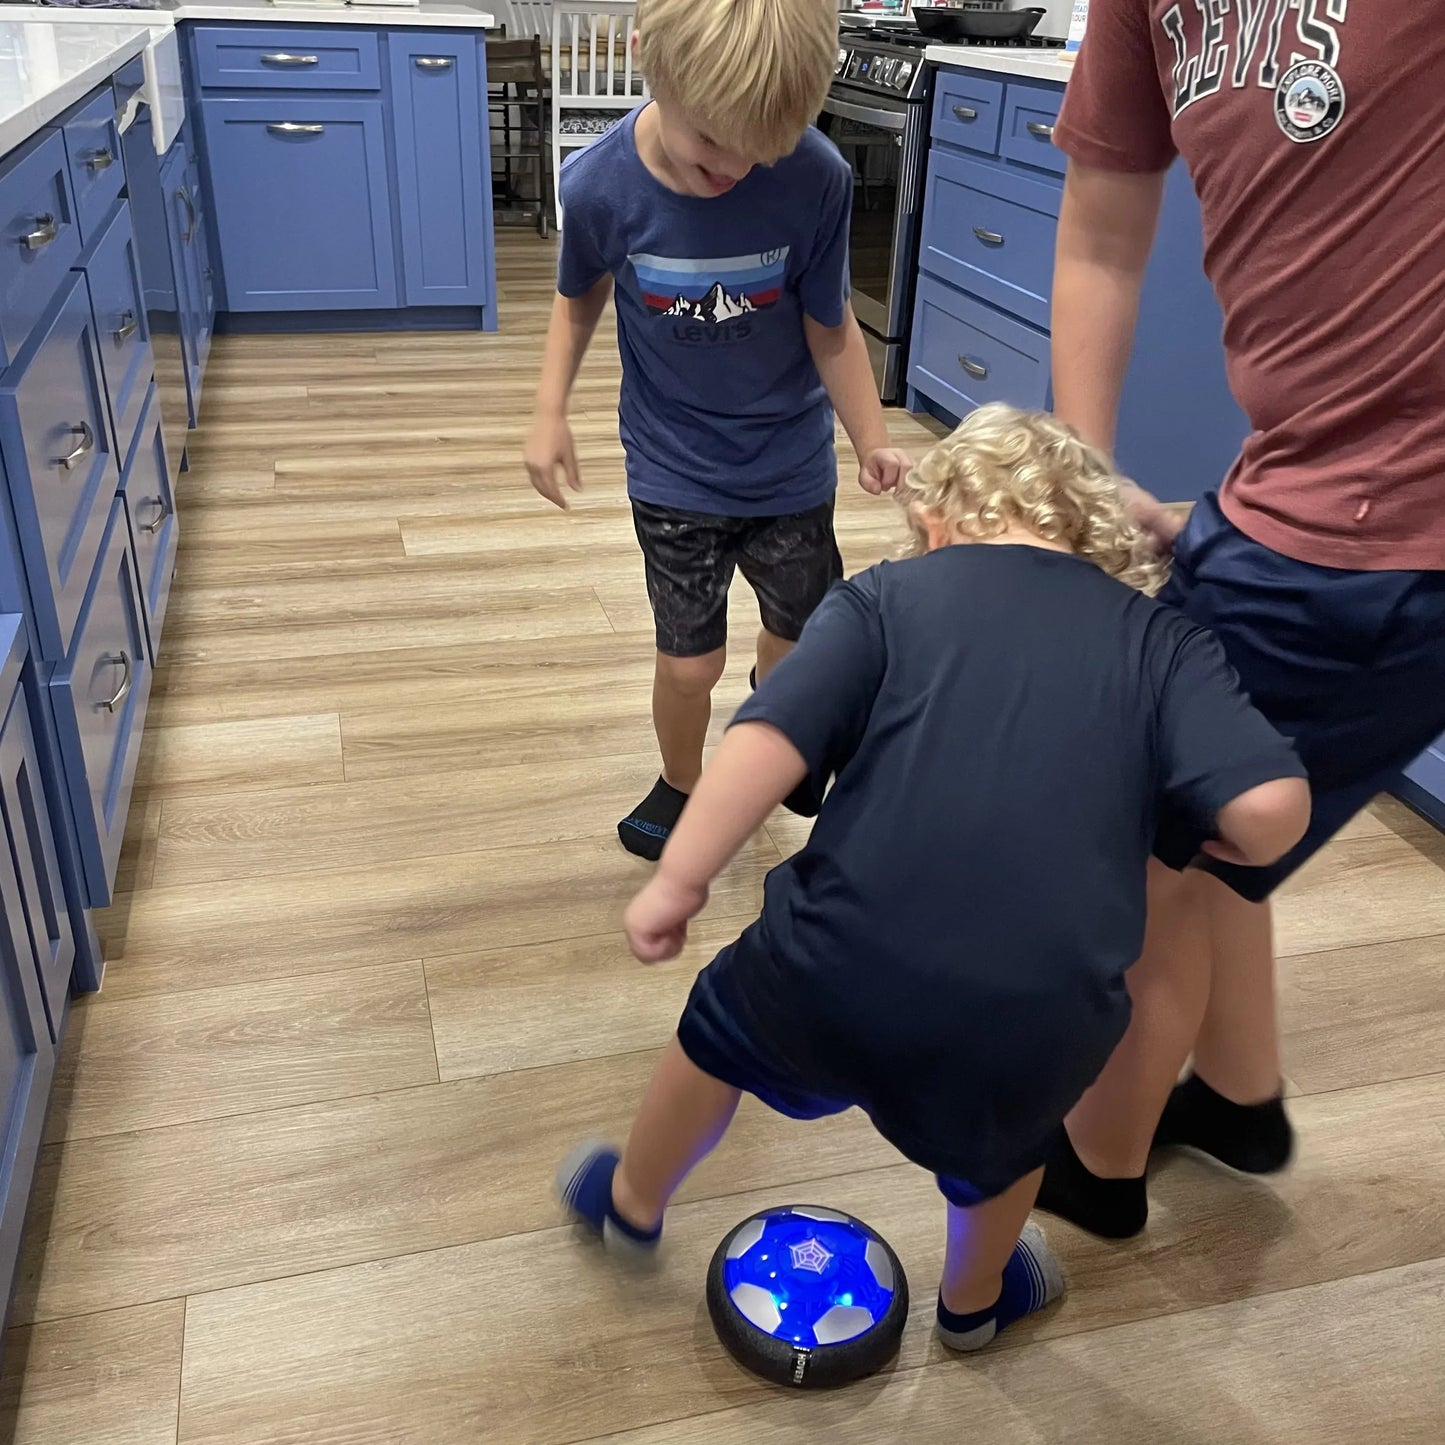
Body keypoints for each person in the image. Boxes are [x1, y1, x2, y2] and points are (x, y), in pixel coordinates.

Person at [556, 405, 1311, 1350]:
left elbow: (768, 738)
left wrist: (679, 880)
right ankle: (971, 1305)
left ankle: (632, 1202)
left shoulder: (883, 600)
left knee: (712, 1046)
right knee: (1001, 1161)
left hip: (830, 961)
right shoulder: (1166, 644)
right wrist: (1226, 842)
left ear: (939, 520)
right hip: (1031, 1014)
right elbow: (1270, 808)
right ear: (1096, 538)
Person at [1035, 1, 1445, 1240]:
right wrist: (1081, 470)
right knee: (1223, 830)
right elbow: (1104, 224)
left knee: (1134, 854)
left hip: (1365, 541)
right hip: (1282, 501)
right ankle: (1237, 1096)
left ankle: (1091, 1172)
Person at [524, 0, 913, 861]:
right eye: (711, 143)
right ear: (647, 64)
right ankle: (683, 780)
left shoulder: (815, 177)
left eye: (760, 151)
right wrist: (549, 407)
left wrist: (870, 437)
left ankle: (775, 740)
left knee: (799, 639)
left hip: (788, 468)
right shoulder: (598, 185)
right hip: (674, 471)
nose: (735, 168)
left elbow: (831, 325)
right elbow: (576, 293)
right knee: (689, 664)